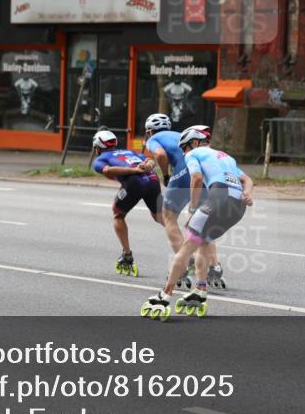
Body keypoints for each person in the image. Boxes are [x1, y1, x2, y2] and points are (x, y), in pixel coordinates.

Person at [141, 127, 253, 321]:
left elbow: (197, 178)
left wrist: (193, 208)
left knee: (186, 247)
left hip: (219, 196)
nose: (184, 154)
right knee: (203, 240)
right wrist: (248, 193)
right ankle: (200, 288)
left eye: (184, 149)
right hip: (238, 207)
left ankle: (164, 295)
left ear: (191, 144)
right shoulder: (226, 156)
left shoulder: (193, 153)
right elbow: (247, 180)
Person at [143, 115, 224, 289]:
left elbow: (160, 154)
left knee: (169, 217)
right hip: (201, 172)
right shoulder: (180, 133)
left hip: (183, 170)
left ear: (149, 131)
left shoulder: (154, 139)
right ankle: (214, 266)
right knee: (202, 222)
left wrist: (165, 175)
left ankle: (185, 262)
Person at [91, 129, 163, 277]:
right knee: (160, 217)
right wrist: (148, 166)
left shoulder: (99, 159)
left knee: (118, 214)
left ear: (97, 147)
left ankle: (127, 255)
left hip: (135, 183)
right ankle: (186, 247)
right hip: (153, 180)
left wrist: (133, 170)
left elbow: (108, 170)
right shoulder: (129, 152)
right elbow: (150, 160)